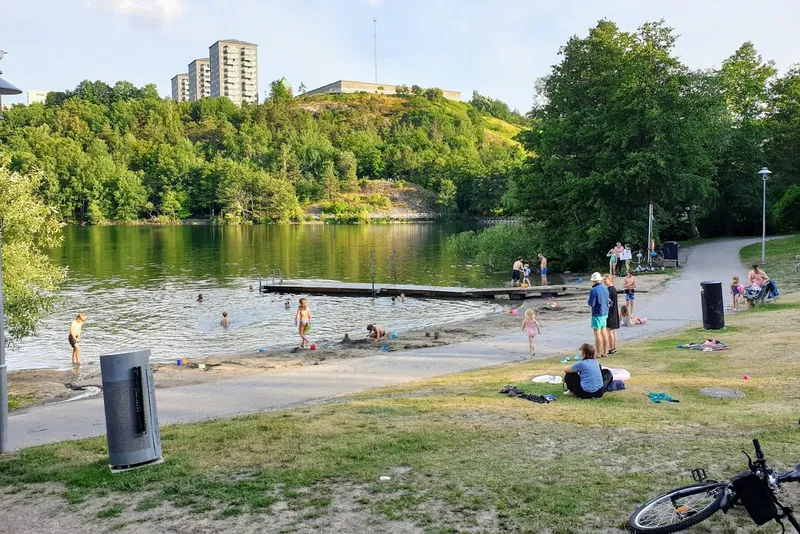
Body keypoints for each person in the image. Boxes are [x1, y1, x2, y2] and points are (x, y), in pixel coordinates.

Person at [587, 272, 609, 358]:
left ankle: (598, 352)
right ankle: (605, 351)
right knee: (604, 333)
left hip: (597, 313)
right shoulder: (605, 288)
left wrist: (588, 301)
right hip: (605, 312)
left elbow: (591, 303)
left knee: (597, 335)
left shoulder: (593, 290)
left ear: (594, 281)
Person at [603, 274, 620, 355]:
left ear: (610, 280)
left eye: (605, 280)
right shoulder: (614, 289)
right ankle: (613, 347)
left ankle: (611, 348)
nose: (604, 281)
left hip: (610, 313)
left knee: (610, 330)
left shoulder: (609, 290)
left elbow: (609, 302)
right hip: (615, 311)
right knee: (613, 331)